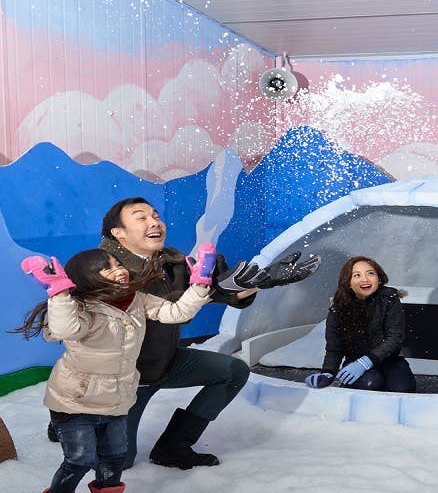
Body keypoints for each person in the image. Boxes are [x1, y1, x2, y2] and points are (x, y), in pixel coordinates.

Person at [95, 197, 319, 470]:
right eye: (140, 217)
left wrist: (264, 280)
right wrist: (212, 289)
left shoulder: (173, 262)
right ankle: (66, 417)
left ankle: (174, 446)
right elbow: (168, 304)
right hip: (123, 377)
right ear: (118, 233)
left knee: (233, 371)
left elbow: (218, 293)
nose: (154, 221)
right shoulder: (103, 268)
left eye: (155, 215)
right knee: (117, 463)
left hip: (164, 362)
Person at [17, 246, 217, 493]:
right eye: (106, 268)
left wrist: (200, 284)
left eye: (116, 263)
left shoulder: (137, 299)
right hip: (75, 400)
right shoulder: (79, 306)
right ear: (85, 278)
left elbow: (174, 312)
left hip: (117, 396)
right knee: (80, 459)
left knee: (115, 455)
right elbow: (65, 329)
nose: (118, 269)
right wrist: (59, 293)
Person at [304, 256, 417, 393]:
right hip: (355, 362)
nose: (365, 279)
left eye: (370, 273)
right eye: (357, 275)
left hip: (389, 361)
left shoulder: (389, 299)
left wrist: (367, 361)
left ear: (379, 278)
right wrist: (328, 372)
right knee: (371, 383)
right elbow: (334, 348)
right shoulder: (338, 308)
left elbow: (395, 338)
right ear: (348, 283)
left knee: (401, 389)